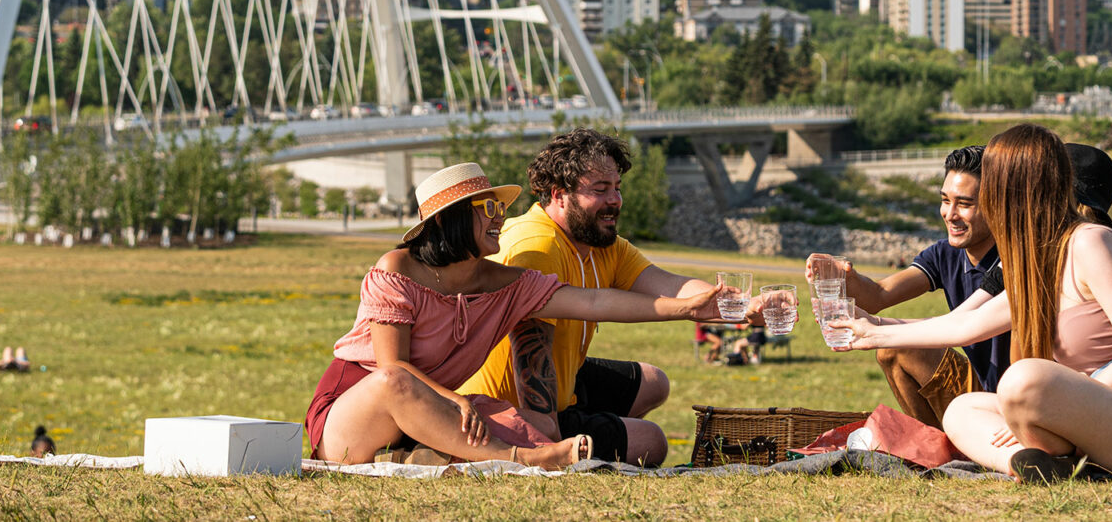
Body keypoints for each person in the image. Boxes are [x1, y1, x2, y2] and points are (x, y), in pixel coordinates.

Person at [832, 125, 1112, 482]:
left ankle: (1047, 447)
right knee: (961, 410)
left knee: (1023, 379)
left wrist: (1070, 400)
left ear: (1018, 190)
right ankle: (1031, 464)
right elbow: (965, 325)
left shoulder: (1091, 242)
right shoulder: (1037, 260)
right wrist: (872, 329)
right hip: (1101, 420)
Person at [304, 162, 724, 470]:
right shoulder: (397, 270)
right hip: (351, 416)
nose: (500, 216)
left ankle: (428, 454)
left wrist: (688, 308)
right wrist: (454, 400)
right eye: (487, 207)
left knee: (524, 424)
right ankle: (527, 460)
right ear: (451, 220)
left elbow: (595, 302)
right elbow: (395, 368)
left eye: (499, 206)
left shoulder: (506, 283)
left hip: (431, 407)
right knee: (395, 381)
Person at [459, 129, 750, 467]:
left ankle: (588, 427)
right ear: (559, 195)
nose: (615, 200)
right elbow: (530, 360)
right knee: (651, 441)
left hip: (564, 381)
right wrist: (547, 441)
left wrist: (745, 306)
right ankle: (582, 437)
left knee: (653, 382)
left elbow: (669, 285)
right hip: (511, 404)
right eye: (600, 190)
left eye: (617, 188)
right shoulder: (538, 248)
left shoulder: (599, 242)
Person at [803, 146, 1008, 428]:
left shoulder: (1014, 258)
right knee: (891, 349)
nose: (950, 214)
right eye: (945, 200)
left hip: (1020, 397)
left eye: (964, 204)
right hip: (979, 389)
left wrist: (876, 325)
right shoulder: (943, 254)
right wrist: (845, 277)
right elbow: (878, 295)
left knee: (892, 340)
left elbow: (963, 325)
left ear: (996, 204)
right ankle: (932, 446)